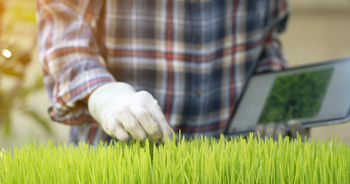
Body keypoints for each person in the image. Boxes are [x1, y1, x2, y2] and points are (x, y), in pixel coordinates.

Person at [37, 0, 303, 145]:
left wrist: (275, 99)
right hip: (118, 178)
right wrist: (104, 95)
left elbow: (266, 40)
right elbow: (64, 36)